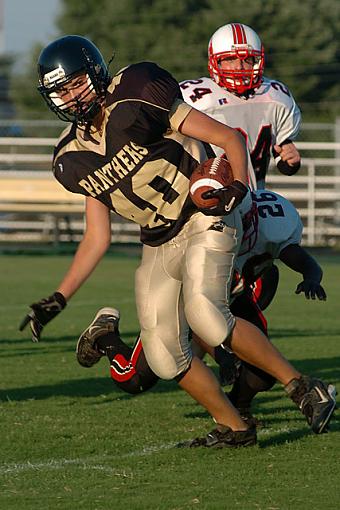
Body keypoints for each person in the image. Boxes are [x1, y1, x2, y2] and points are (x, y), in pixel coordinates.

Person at [20, 35, 335, 447]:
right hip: (158, 240)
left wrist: (237, 186)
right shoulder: (70, 158)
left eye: (77, 83)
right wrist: (58, 298)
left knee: (206, 313)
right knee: (165, 355)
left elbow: (230, 139)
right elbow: (97, 236)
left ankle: (303, 387)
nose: (72, 97)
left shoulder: (137, 92)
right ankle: (235, 428)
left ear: (96, 72)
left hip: (204, 215)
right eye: (61, 90)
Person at [67, 190, 335, 432]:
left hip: (230, 296)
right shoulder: (201, 231)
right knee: (133, 379)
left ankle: (238, 410)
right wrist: (221, 353)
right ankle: (105, 336)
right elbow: (195, 309)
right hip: (183, 302)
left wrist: (311, 278)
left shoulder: (269, 226)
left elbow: (300, 258)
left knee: (262, 367)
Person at [180, 22, 301, 190]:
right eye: (230, 59)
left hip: (252, 197)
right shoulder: (192, 97)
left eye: (247, 60)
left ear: (257, 61)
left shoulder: (276, 97)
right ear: (216, 62)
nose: (238, 67)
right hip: (203, 196)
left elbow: (283, 157)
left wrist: (289, 159)